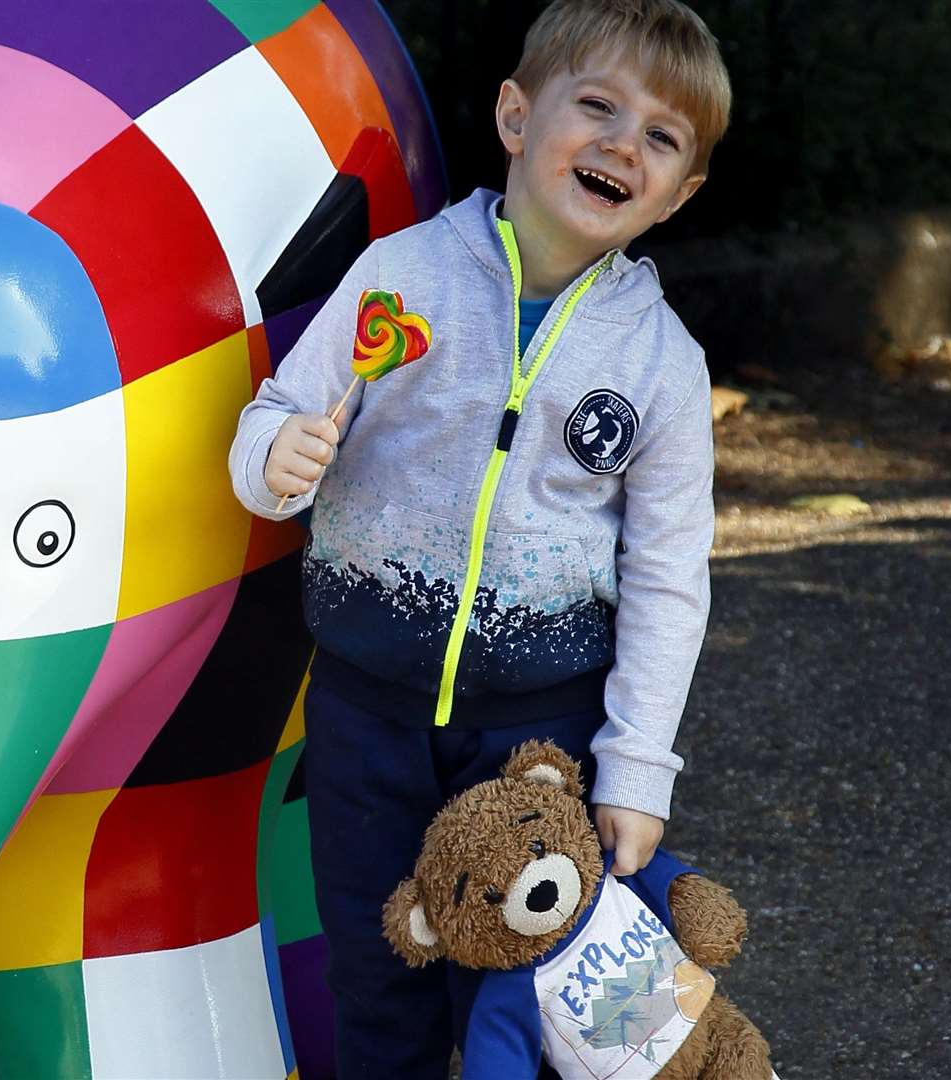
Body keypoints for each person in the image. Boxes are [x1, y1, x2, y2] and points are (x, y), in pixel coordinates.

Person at [228, 1, 732, 1075]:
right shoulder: (399, 275)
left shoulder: (662, 366)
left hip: (541, 744)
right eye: (594, 106)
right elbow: (282, 407)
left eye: (659, 137)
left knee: (539, 994)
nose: (618, 145)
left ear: (680, 195)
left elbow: (666, 579)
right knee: (381, 974)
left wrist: (635, 769)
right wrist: (272, 463)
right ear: (514, 114)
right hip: (366, 716)